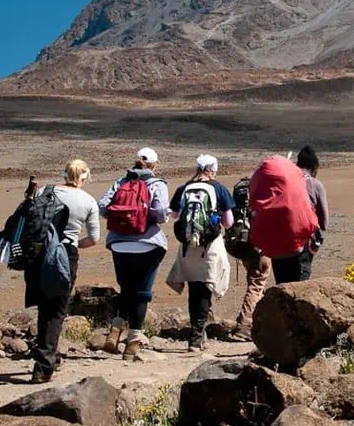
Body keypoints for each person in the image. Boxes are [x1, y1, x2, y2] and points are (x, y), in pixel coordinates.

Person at [28, 159, 100, 383]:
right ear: (85, 177)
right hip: (65, 255)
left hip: (39, 253)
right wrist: (74, 243)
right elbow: (94, 238)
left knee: (44, 306)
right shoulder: (88, 201)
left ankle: (50, 355)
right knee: (58, 309)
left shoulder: (44, 190)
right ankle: (43, 367)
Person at [98, 147, 170, 360]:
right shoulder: (157, 184)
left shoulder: (121, 182)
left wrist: (123, 218)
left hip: (119, 243)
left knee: (126, 289)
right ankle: (133, 343)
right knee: (142, 292)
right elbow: (162, 214)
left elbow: (103, 207)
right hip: (148, 244)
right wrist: (143, 215)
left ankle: (115, 330)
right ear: (155, 165)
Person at [166, 154, 234, 352]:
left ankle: (197, 334)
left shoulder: (184, 188)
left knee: (194, 290)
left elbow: (173, 215)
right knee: (205, 290)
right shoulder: (219, 188)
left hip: (188, 247)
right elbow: (228, 222)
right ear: (212, 169)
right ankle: (196, 339)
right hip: (210, 246)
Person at [249, 154, 319, 285]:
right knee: (299, 289)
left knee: (282, 286)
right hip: (298, 248)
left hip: (276, 250)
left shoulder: (265, 189)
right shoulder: (299, 182)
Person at [229, 177, 271, 342]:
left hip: (241, 246)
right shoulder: (261, 199)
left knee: (255, 283)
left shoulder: (239, 201)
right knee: (256, 285)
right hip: (258, 248)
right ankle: (245, 326)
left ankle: (255, 322)